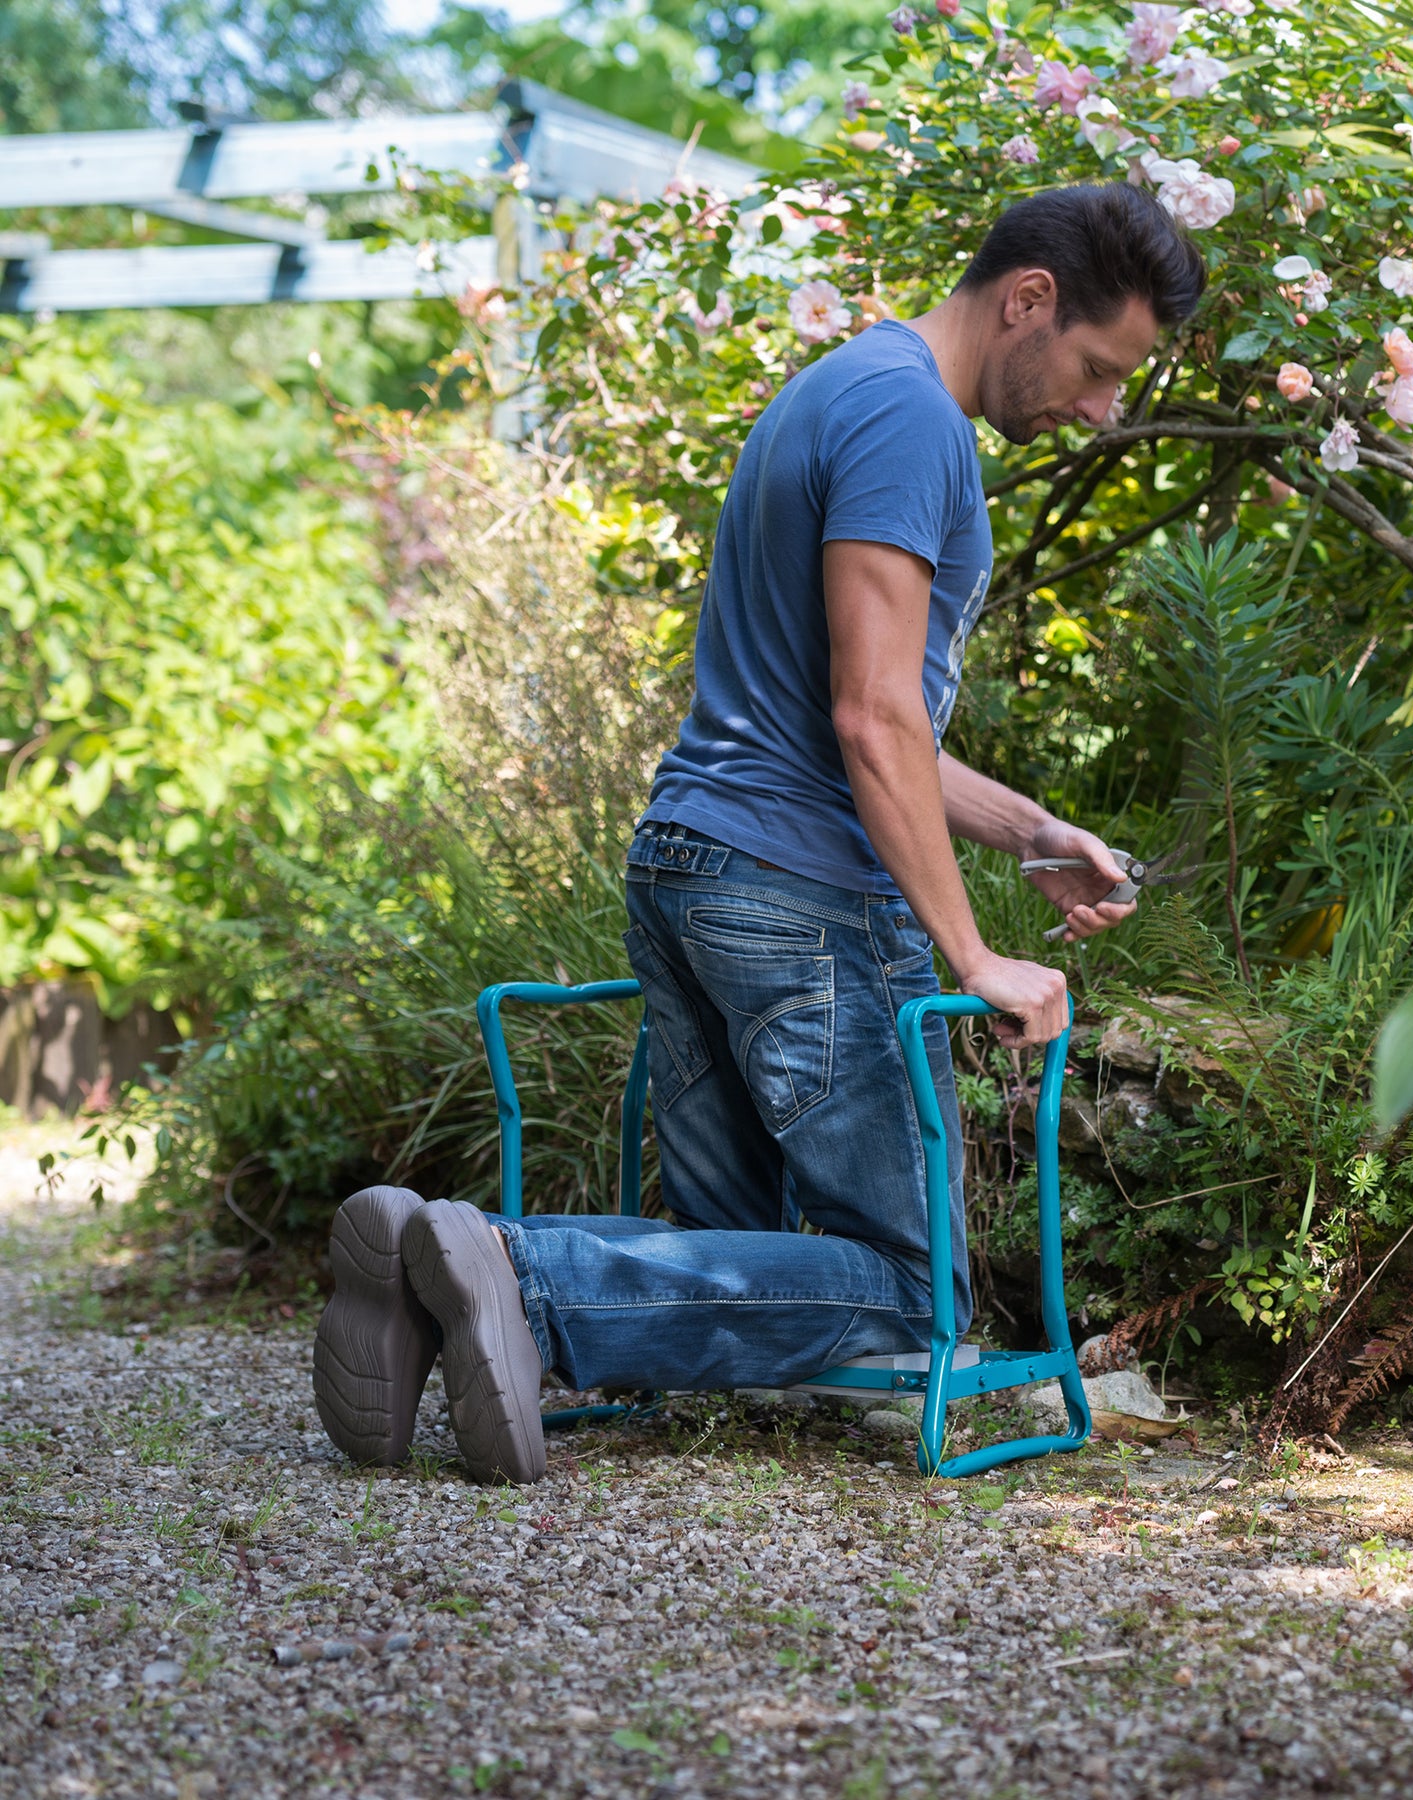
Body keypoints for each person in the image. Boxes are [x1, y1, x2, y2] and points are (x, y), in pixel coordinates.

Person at [312, 183, 1205, 1483]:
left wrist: (1032, 832)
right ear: (1031, 301)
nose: (1104, 409)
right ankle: (517, 1271)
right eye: (1100, 368)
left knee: (743, 1254)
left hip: (694, 869)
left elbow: (848, 714)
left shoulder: (838, 388)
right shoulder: (915, 421)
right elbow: (870, 718)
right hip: (800, 898)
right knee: (913, 1296)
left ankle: (427, 1273)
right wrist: (975, 958)